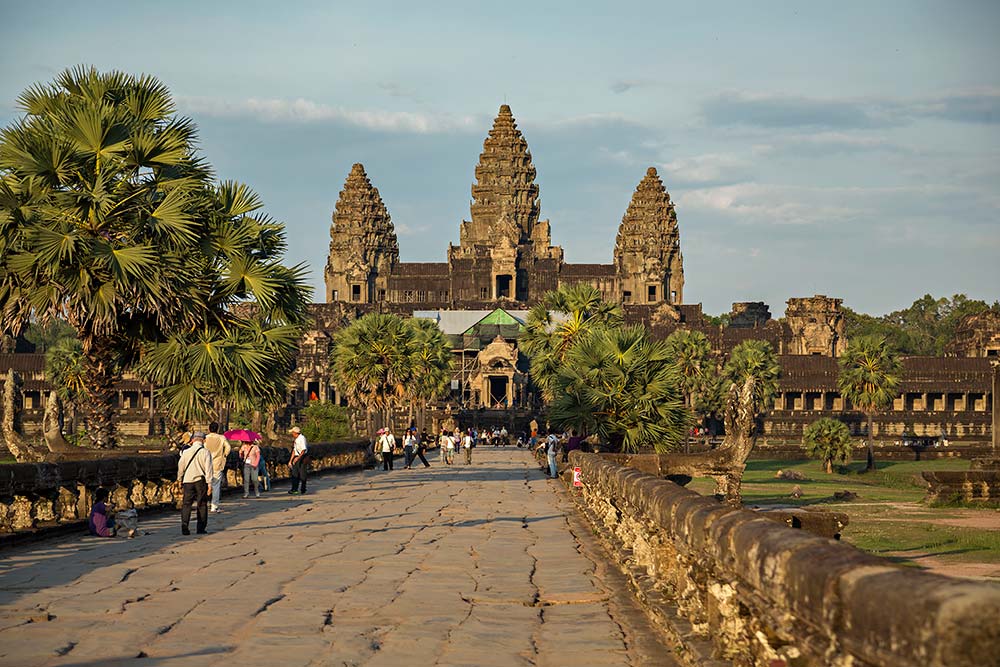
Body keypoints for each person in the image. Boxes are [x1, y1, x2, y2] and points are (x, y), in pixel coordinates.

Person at [177, 431, 213, 535]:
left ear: (192, 440)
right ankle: (200, 528)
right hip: (200, 480)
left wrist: (179, 479)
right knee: (201, 504)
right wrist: (209, 484)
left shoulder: (186, 452)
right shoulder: (205, 452)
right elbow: (208, 470)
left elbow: (181, 466)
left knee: (186, 504)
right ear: (204, 440)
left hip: (187, 480)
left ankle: (185, 526)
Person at [203, 422, 231, 513]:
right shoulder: (221, 438)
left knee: (204, 484)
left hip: (205, 464)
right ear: (217, 429)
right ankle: (214, 506)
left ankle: (203, 504)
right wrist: (224, 455)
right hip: (217, 464)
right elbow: (228, 447)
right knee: (216, 486)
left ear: (209, 429)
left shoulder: (205, 438)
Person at [289, 426, 309, 495]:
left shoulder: (302, 438)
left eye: (293, 433)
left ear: (295, 433)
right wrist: (291, 460)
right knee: (295, 473)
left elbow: (303, 450)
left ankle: (303, 488)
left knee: (302, 474)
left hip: (302, 457)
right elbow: (294, 450)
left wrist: (298, 458)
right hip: (297, 456)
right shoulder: (296, 439)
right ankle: (294, 489)